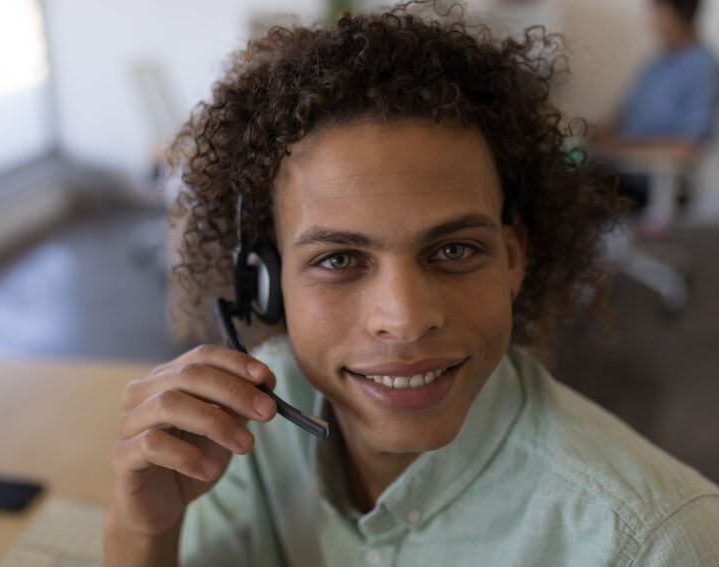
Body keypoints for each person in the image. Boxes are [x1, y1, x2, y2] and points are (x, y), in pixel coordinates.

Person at [104, 3, 719, 565]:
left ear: (513, 259)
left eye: (453, 249)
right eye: (340, 259)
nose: (404, 317)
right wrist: (144, 528)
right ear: (265, 284)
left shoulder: (655, 545)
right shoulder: (251, 428)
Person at [594, 0, 719, 210]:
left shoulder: (702, 68)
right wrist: (597, 132)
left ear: (682, 16)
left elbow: (689, 144)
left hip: (657, 183)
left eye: (660, 15)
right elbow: (624, 112)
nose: (654, 23)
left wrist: (623, 146)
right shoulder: (656, 63)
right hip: (619, 168)